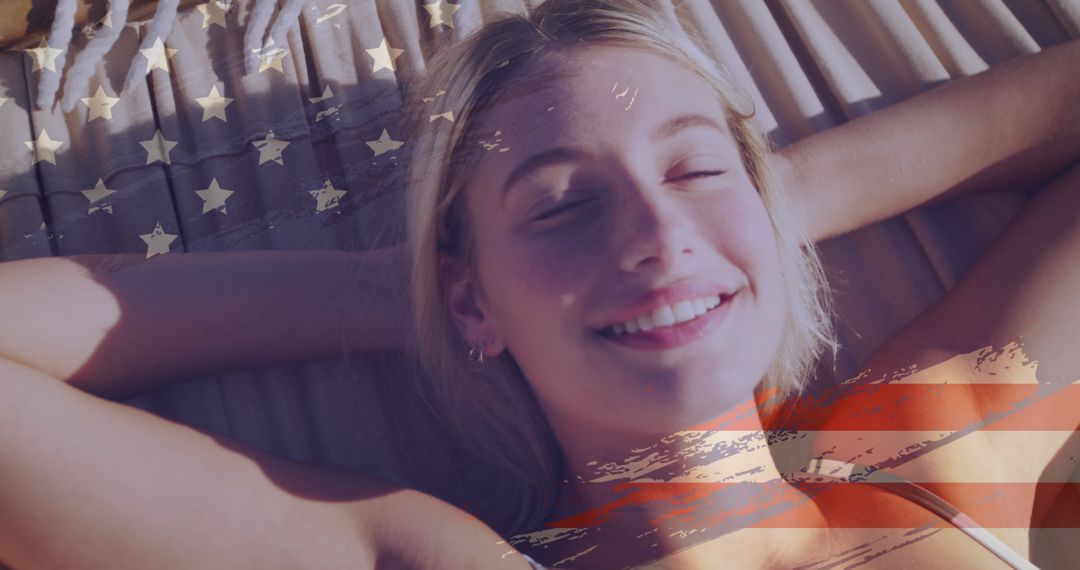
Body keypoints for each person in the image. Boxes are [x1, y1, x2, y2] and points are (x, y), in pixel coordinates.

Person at [0, 0, 1077, 568]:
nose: (657, 234)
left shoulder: (937, 456)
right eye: (562, 205)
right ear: (472, 299)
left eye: (694, 171)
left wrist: (772, 206)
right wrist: (418, 296)